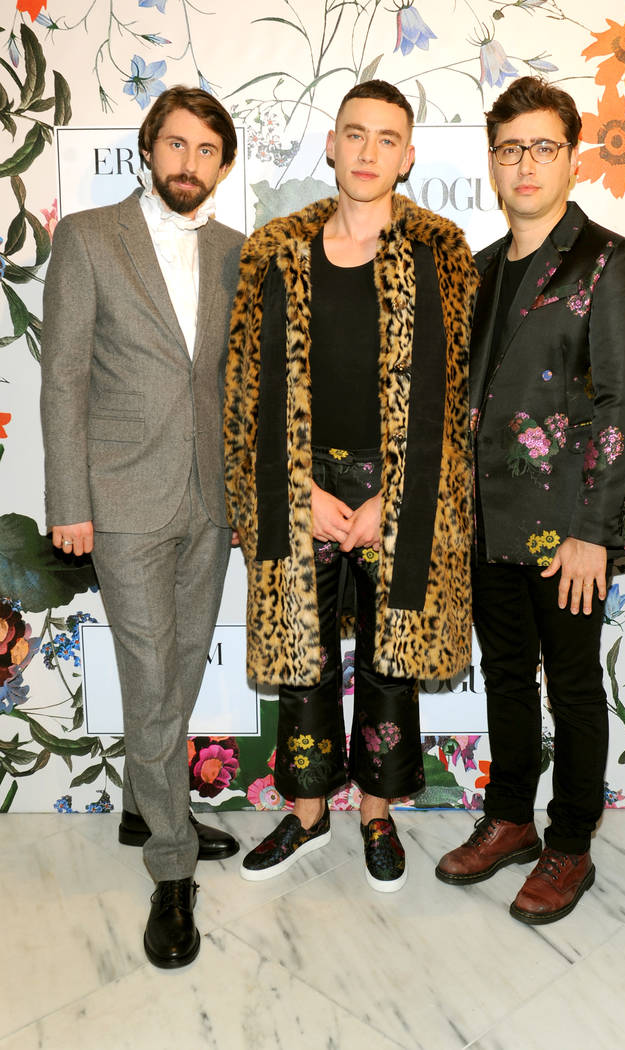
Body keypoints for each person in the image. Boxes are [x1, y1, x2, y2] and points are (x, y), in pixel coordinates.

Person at [224, 79, 478, 891]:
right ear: (330, 145)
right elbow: (245, 389)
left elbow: (454, 395)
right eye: (355, 134)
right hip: (300, 483)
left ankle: (375, 813)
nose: (368, 152)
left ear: (408, 156)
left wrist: (392, 501)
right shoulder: (274, 250)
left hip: (396, 486)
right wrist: (292, 489)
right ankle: (304, 817)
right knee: (299, 655)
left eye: (386, 138)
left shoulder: (441, 251)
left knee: (388, 656)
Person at [436, 76, 625, 924]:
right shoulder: (480, 270)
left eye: (541, 146)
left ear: (570, 157)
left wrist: (591, 533)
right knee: (503, 676)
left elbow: (620, 403)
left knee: (570, 685)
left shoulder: (608, 259)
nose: (524, 163)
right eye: (508, 148)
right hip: (488, 520)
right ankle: (509, 820)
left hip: (569, 528)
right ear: (492, 163)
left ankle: (569, 844)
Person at [41, 86, 245, 967]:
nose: (188, 163)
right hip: (120, 499)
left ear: (221, 165)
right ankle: (171, 863)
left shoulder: (237, 252)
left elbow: (238, 382)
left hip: (211, 497)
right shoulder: (90, 238)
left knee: (184, 664)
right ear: (148, 149)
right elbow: (63, 377)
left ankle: (141, 805)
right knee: (152, 670)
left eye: (206, 150)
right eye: (175, 144)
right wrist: (68, 501)